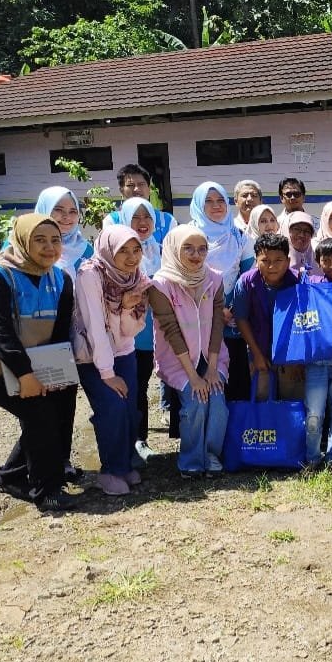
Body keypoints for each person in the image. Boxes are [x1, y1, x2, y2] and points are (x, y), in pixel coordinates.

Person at [0, 214, 78, 510]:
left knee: (58, 405)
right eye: (39, 240)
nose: (49, 247)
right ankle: (47, 490)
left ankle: (11, 476)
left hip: (40, 363)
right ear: (22, 241)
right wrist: (25, 375)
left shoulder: (61, 279)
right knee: (39, 412)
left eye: (55, 240)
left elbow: (60, 332)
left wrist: (57, 375)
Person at [147, 224, 229, 477]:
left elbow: (218, 323)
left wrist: (212, 370)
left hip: (211, 355)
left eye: (202, 249)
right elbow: (171, 332)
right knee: (195, 404)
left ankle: (211, 455)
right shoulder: (160, 284)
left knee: (217, 402)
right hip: (178, 359)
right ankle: (191, 461)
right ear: (174, 249)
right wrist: (193, 377)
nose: (196, 255)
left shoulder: (214, 278)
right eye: (188, 248)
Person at [73, 225, 149, 496]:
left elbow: (130, 330)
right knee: (112, 409)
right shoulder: (90, 274)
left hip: (124, 351)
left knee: (129, 409)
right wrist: (107, 372)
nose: (131, 257)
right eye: (123, 250)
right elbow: (95, 326)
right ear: (108, 249)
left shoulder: (135, 275)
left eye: (136, 249)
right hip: (93, 356)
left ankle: (124, 463)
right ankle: (110, 471)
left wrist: (126, 307)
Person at [189, 182, 249, 402]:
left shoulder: (239, 236)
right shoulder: (188, 236)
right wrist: (214, 310)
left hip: (231, 319)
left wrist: (230, 308)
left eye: (220, 200)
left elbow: (246, 277)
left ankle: (236, 422)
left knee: (236, 380)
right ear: (198, 205)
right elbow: (183, 278)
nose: (216, 206)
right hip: (197, 318)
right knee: (202, 384)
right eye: (208, 201)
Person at [116, 197, 163, 465]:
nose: (142, 222)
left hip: (153, 333)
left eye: (147, 217)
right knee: (127, 388)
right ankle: (125, 442)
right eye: (136, 217)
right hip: (125, 335)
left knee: (143, 385)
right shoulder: (115, 254)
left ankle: (139, 439)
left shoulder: (160, 250)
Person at [301, 238, 332, 465]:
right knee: (313, 413)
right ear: (318, 261)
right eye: (325, 260)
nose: (331, 265)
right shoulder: (310, 284)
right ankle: (311, 459)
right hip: (315, 362)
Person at [234, 232, 299, 391]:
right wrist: (256, 354)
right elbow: (241, 318)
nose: (271, 266)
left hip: (292, 354)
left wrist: (299, 358)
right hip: (258, 350)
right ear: (256, 260)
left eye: (278, 260)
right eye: (265, 261)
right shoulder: (246, 282)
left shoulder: (298, 282)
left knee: (292, 397)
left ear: (288, 261)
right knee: (262, 395)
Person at [105, 165, 177, 241]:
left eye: (141, 184)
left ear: (149, 189)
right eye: (130, 185)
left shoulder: (167, 221)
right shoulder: (112, 221)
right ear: (121, 191)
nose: (136, 189)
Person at [31, 186, 93, 272]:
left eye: (72, 211)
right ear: (44, 209)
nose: (67, 217)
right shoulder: (27, 247)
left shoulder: (86, 250)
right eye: (59, 210)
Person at [283, 211, 320, 279]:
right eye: (297, 229)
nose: (301, 235)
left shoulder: (318, 261)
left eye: (307, 231)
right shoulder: (279, 260)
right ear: (288, 231)